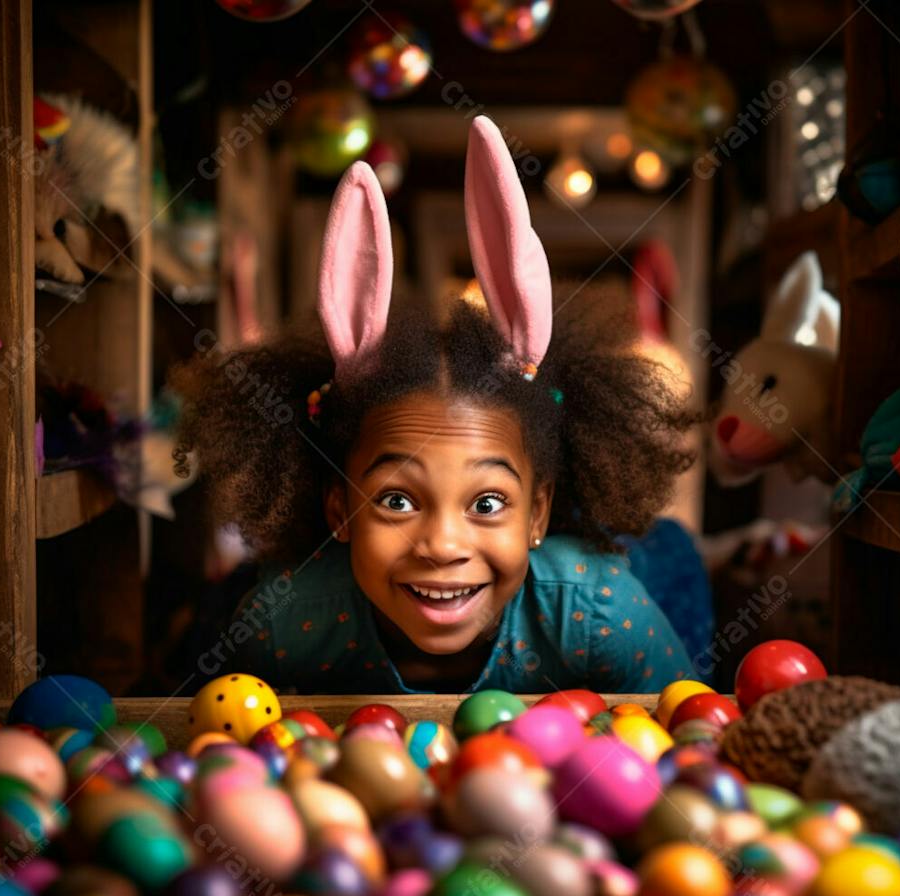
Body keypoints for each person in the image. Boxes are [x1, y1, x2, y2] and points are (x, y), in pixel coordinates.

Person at [172, 116, 699, 695]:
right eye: (396, 500)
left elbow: (690, 720)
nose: (444, 545)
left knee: (665, 550)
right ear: (337, 510)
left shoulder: (599, 610)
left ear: (538, 514)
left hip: (649, 567)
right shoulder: (287, 615)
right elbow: (205, 723)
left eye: (489, 502)